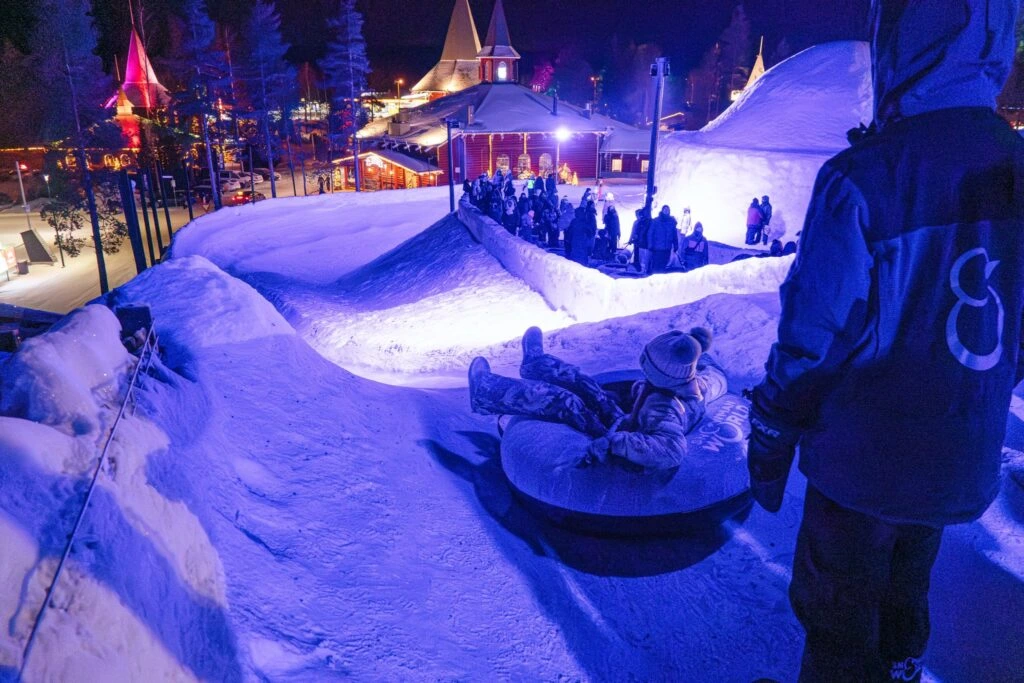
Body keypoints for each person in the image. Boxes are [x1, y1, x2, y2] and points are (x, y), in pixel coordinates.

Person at [746, 2, 1024, 680]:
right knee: (908, 582)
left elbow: (814, 336)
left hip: (861, 462)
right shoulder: (1016, 168)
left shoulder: (863, 177)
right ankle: (901, 667)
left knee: (838, 610)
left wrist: (772, 434)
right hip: (957, 452)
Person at [468, 326, 727, 471]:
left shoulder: (664, 408)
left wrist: (616, 443)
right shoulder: (693, 383)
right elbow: (716, 377)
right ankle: (536, 364)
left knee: (567, 402)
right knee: (588, 385)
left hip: (613, 434)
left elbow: (671, 450)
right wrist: (698, 351)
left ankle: (486, 391)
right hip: (623, 418)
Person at [647, 205, 679, 274]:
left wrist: (676, 245)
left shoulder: (672, 222)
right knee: (656, 265)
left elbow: (674, 235)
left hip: (667, 248)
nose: (666, 211)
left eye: (668, 209)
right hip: (657, 248)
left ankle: (661, 281)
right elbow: (650, 233)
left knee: (664, 265)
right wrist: (650, 245)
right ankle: (654, 280)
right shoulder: (656, 221)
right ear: (662, 210)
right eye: (665, 209)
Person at [629, 207, 651, 273]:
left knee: (641, 255)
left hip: (641, 241)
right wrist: (630, 239)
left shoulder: (644, 222)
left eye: (638, 214)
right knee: (636, 253)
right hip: (636, 241)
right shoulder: (636, 222)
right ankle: (637, 265)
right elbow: (633, 231)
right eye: (636, 214)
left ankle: (642, 267)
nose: (637, 216)